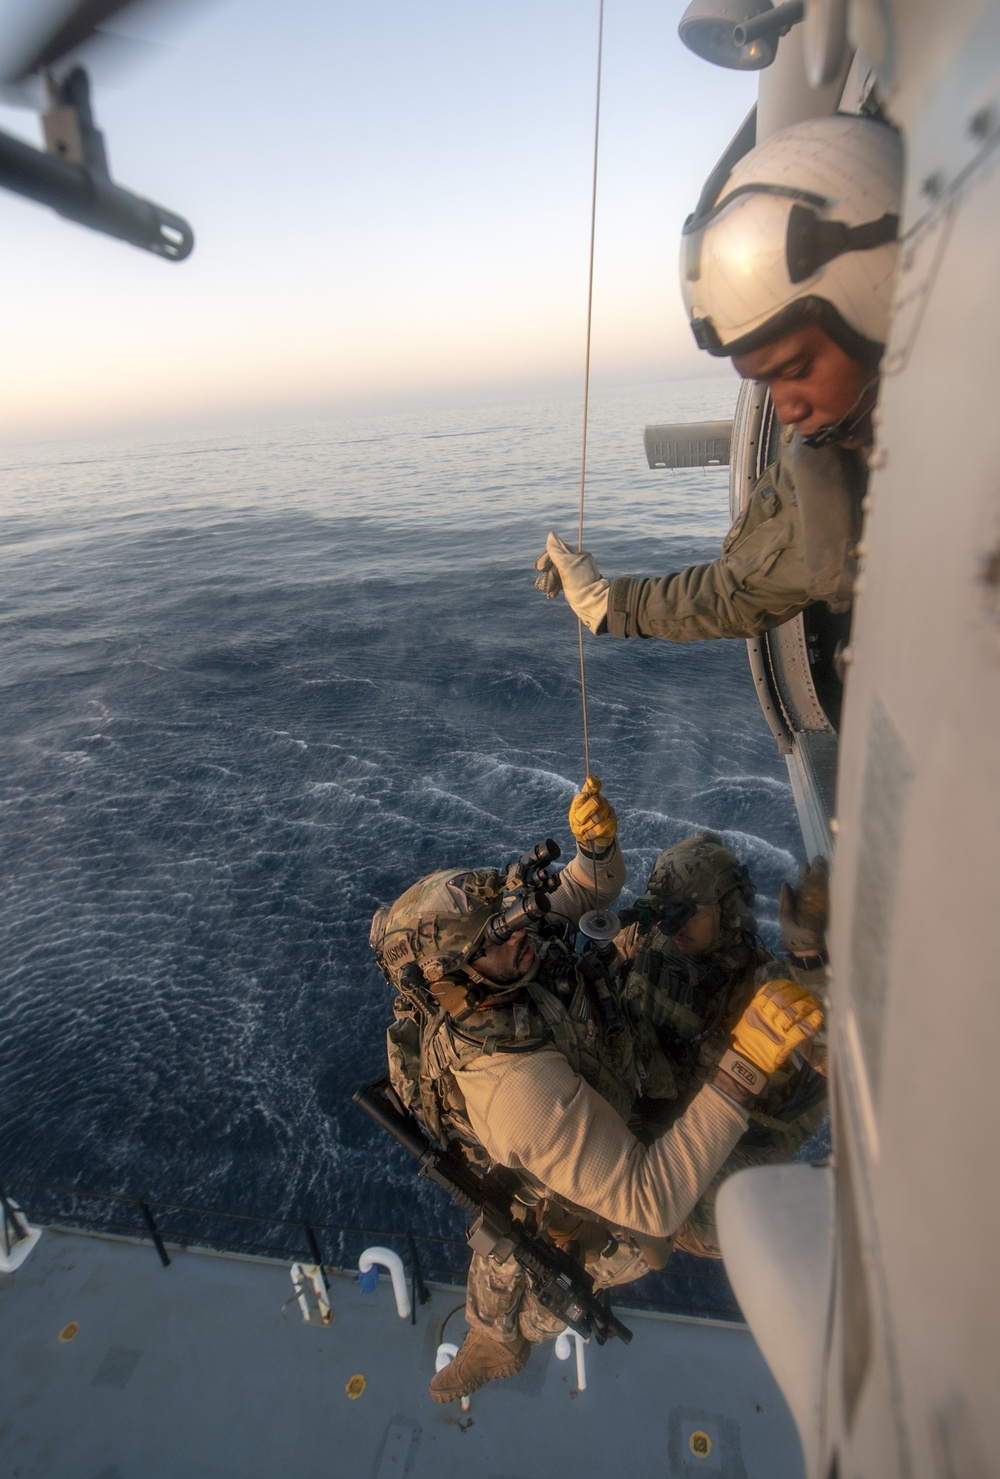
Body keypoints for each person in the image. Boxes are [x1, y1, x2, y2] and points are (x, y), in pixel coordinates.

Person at [368, 779, 823, 1402]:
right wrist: (746, 1061)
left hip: (595, 1082)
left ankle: (497, 1331)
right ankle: (499, 1342)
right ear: (458, 975)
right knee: (559, 1265)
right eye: (499, 939)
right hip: (581, 1161)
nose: (520, 933)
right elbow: (652, 1199)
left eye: (512, 916)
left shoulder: (496, 947)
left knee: (516, 1244)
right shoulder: (514, 1089)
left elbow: (583, 889)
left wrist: (598, 850)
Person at [534, 113, 903, 644]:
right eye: (767, 385)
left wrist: (605, 604)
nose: (789, 412)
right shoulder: (837, 434)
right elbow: (741, 580)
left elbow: (738, 594)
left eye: (797, 370)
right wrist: (604, 600)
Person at [618, 833, 829, 1257]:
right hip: (655, 1120)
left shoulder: (760, 986)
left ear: (727, 911)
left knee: (721, 1216)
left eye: (684, 915)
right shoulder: (659, 947)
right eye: (665, 914)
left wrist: (807, 956)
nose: (670, 927)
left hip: (719, 1149)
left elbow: (822, 1037)